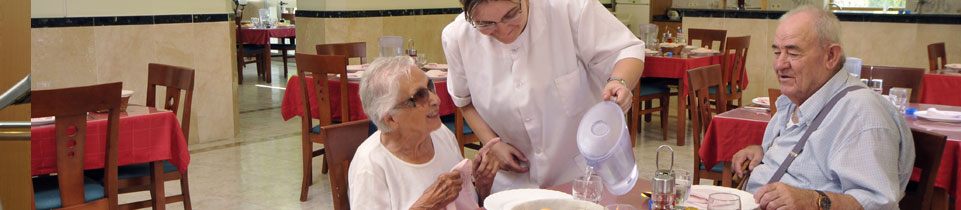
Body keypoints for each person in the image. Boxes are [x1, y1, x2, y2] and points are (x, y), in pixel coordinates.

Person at [441, 0, 646, 192]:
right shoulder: (458, 37)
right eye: (486, 24)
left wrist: (620, 81)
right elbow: (464, 101)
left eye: (511, 14)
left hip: (580, 174)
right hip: (512, 183)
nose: (503, 30)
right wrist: (493, 144)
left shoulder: (568, 8)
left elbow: (626, 49)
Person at [731, 5, 915, 210]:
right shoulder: (795, 99)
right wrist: (763, 152)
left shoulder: (860, 114)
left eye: (793, 53)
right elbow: (807, 156)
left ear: (830, 56)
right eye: (777, 52)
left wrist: (812, 201)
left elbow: (879, 204)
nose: (779, 65)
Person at [348, 56, 499, 210]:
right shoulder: (370, 164)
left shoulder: (441, 134)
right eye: (420, 96)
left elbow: (465, 204)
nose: (436, 99)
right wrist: (426, 206)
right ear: (390, 118)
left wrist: (481, 187)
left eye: (430, 87)